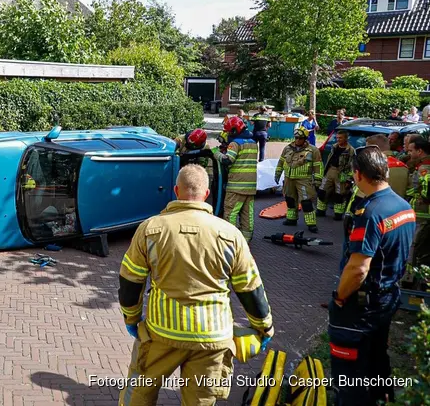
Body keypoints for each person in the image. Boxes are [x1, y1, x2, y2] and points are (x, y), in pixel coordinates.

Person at [118, 164, 274, 406]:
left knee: (140, 390)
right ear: (207, 194)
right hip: (213, 338)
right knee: (200, 401)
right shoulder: (231, 234)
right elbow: (250, 287)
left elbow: (131, 280)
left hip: (162, 333)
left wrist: (132, 319)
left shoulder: (150, 229)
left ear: (175, 190)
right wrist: (264, 327)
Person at [329, 146, 415, 405]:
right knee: (377, 358)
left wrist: (340, 298)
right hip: (388, 298)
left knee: (350, 373)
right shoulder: (403, 206)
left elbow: (358, 268)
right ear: (385, 171)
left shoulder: (370, 213)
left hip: (362, 306)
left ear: (357, 175)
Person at [212, 116, 258, 242]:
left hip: (236, 186)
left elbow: (228, 160)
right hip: (251, 187)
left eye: (228, 131)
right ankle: (245, 240)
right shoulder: (253, 143)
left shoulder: (235, 144)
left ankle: (230, 240)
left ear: (233, 130)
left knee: (231, 213)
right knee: (247, 215)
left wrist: (216, 153)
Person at [275, 126, 324, 233]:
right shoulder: (287, 148)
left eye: (300, 138)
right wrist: (278, 173)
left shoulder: (313, 150)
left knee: (306, 202)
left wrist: (317, 180)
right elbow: (281, 161)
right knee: (290, 199)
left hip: (304, 180)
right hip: (289, 179)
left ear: (305, 138)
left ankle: (311, 224)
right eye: (296, 138)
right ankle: (291, 219)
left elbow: (318, 166)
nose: (297, 140)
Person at [317, 130, 355, 220]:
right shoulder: (334, 146)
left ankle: (338, 214)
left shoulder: (350, 150)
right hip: (330, 170)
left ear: (346, 138)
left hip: (341, 174)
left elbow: (352, 166)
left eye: (340, 138)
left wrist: (349, 179)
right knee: (322, 191)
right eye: (337, 138)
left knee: (340, 195)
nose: (338, 139)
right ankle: (320, 211)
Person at [407, 134, 430, 275]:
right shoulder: (421, 166)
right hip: (421, 215)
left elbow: (426, 191)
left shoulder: (425, 169)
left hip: (423, 216)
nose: (408, 153)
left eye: (411, 151)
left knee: (414, 248)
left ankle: (410, 277)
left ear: (419, 151)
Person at [366, 134, 409, 199]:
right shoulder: (404, 167)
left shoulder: (372, 166)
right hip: (400, 207)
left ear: (373, 149)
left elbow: (362, 195)